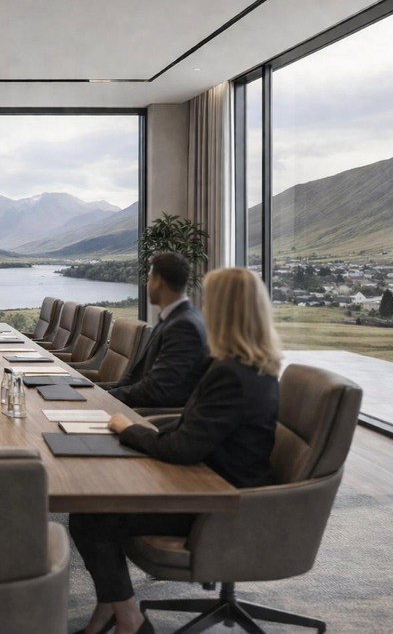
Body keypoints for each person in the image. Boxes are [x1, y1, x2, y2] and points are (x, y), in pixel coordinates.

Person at [69, 267, 283, 634]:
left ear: (225, 310)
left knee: (91, 517)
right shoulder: (251, 366)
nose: (202, 308)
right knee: (94, 509)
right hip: (212, 480)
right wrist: (147, 430)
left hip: (215, 500)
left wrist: (132, 430)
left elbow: (185, 447)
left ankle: (130, 621)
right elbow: (197, 426)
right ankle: (111, 610)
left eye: (210, 301)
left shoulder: (229, 374)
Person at [105, 252, 209, 411]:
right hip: (134, 406)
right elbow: (136, 377)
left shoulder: (183, 327)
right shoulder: (174, 318)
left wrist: (107, 398)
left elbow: (157, 388)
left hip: (146, 416)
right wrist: (104, 393)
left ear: (159, 281)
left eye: (149, 277)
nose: (146, 283)